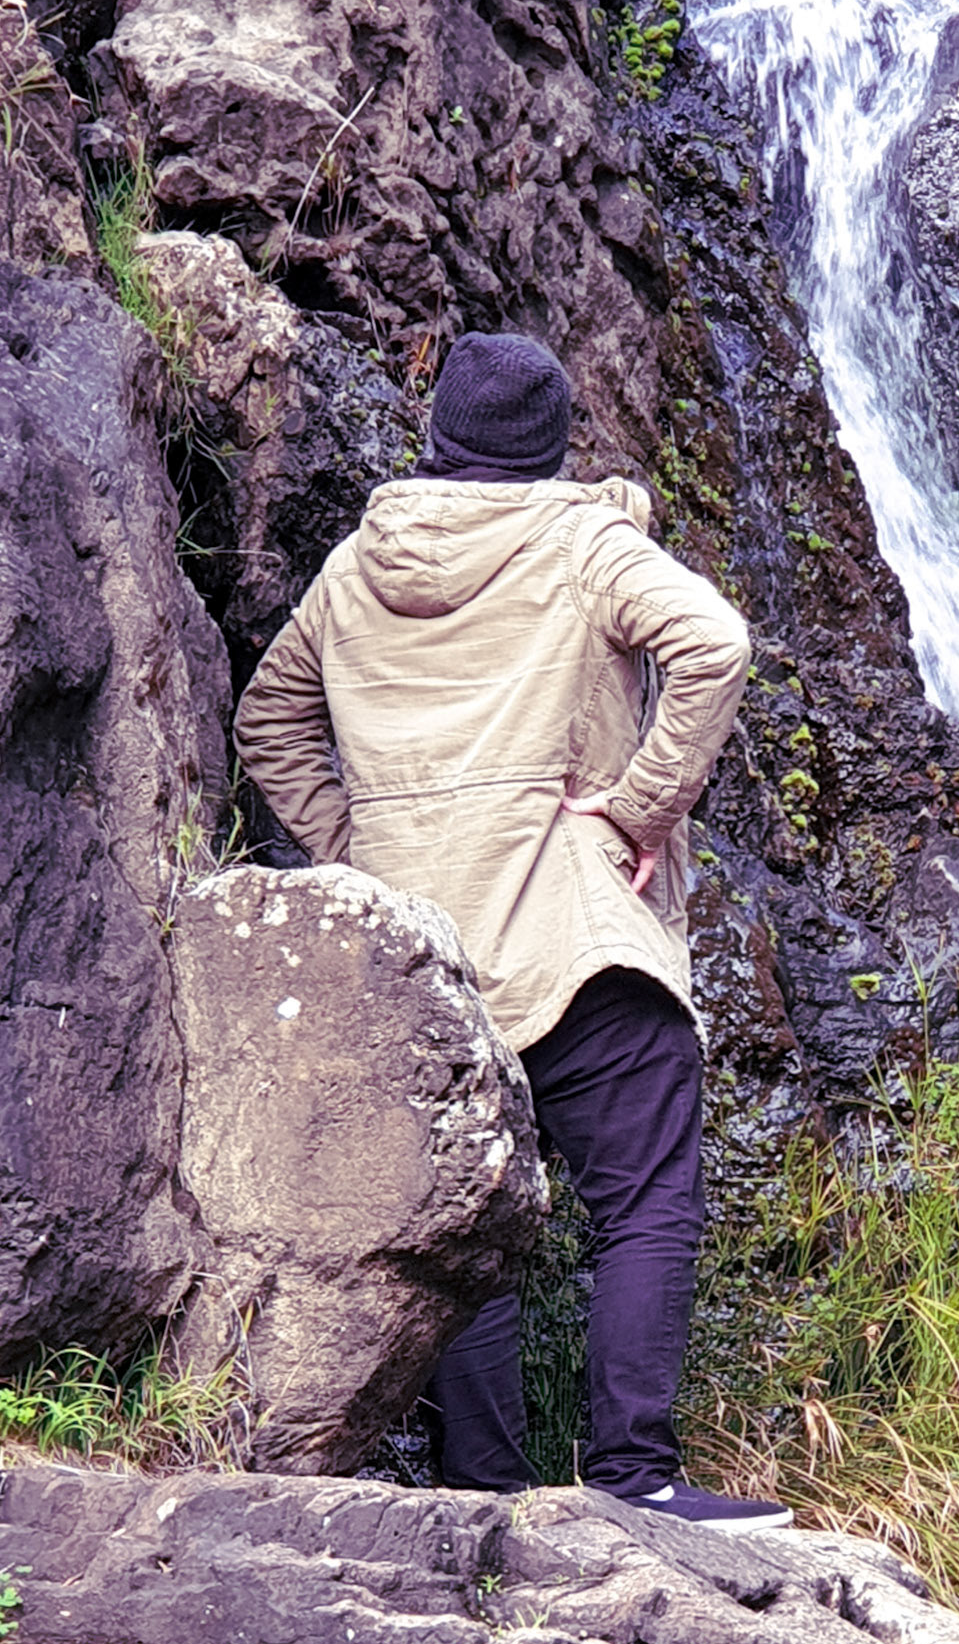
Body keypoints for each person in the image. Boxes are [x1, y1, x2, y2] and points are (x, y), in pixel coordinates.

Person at [234, 328, 793, 1532]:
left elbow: (267, 718)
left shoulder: (353, 570)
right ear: (548, 447)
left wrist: (356, 857)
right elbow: (716, 642)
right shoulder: (584, 541)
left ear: (437, 435)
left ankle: (480, 1497)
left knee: (459, 1225)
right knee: (646, 1199)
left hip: (416, 961)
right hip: (569, 935)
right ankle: (634, 1480)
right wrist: (640, 806)